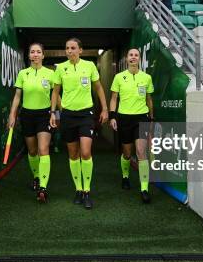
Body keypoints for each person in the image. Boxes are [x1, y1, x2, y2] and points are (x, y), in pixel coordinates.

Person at [50, 38, 109, 210]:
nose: (70, 51)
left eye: (73, 48)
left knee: (85, 152)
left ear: (80, 50)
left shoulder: (89, 66)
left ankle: (87, 191)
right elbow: (55, 92)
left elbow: (98, 88)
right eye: (67, 48)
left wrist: (105, 109)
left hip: (86, 114)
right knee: (73, 154)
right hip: (68, 115)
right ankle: (78, 190)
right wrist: (54, 113)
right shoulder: (60, 68)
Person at [8, 43, 55, 203]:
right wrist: (12, 115)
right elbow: (17, 97)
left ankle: (43, 187)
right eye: (32, 52)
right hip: (27, 115)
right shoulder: (23, 74)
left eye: (38, 52)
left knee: (43, 149)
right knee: (33, 151)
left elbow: (56, 97)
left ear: (43, 55)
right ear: (29, 56)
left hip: (45, 115)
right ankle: (36, 177)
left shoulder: (50, 74)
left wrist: (57, 116)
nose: (35, 54)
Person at [109, 48, 154, 203]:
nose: (133, 57)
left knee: (141, 152)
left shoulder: (147, 78)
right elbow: (114, 98)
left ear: (139, 58)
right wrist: (112, 116)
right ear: (126, 58)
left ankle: (144, 189)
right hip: (124, 118)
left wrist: (152, 118)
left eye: (136, 55)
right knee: (127, 153)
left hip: (141, 118)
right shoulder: (119, 77)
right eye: (131, 55)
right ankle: (125, 176)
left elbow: (149, 99)